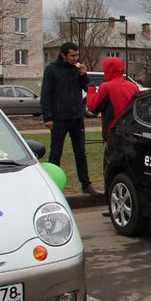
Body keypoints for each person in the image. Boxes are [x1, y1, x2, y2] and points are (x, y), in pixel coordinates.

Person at [40, 42, 100, 197]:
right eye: (72, 55)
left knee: (81, 153)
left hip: (77, 117)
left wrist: (83, 75)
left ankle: (86, 185)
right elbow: (45, 94)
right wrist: (48, 117)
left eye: (77, 55)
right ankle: (52, 186)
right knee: (56, 152)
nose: (75, 58)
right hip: (59, 119)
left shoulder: (77, 70)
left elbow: (88, 89)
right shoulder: (51, 69)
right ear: (63, 55)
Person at [85, 57, 139, 141]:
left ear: (107, 69)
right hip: (130, 131)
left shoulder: (107, 87)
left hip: (114, 132)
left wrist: (90, 87)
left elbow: (92, 107)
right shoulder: (133, 86)